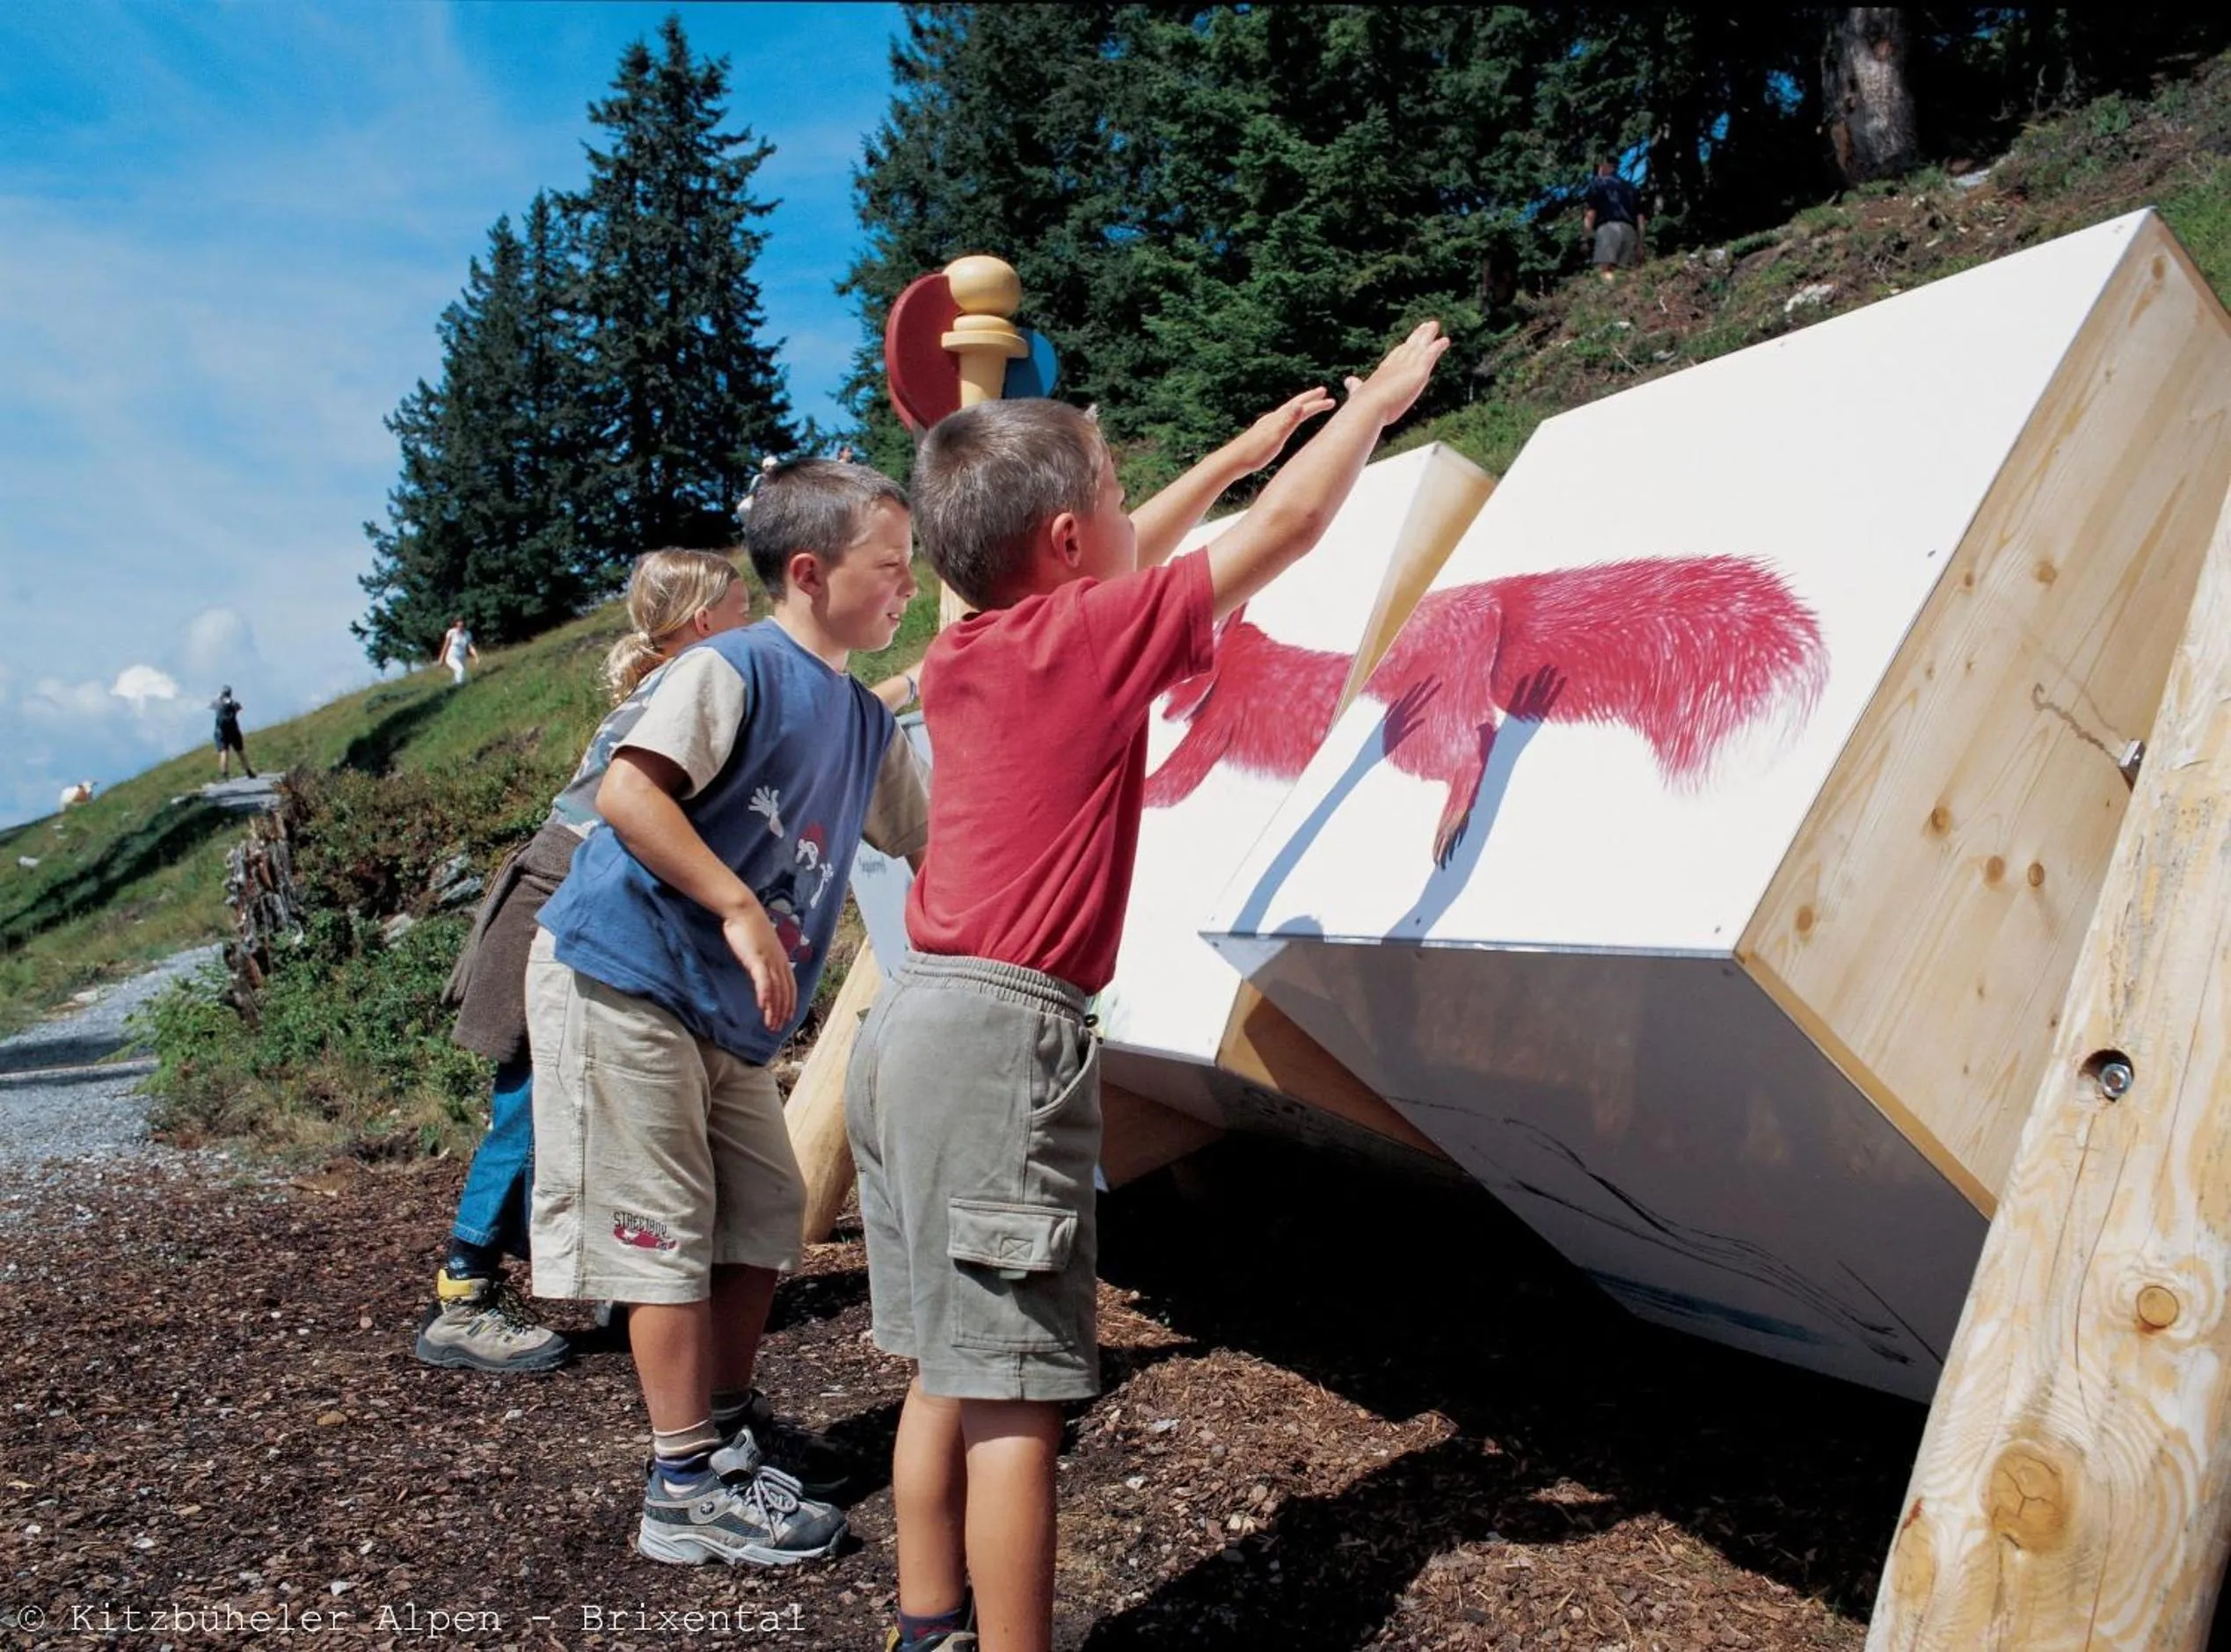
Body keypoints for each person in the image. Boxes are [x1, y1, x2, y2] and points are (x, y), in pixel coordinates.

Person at [844, 324, 1448, 1652]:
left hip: (907, 1026)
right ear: (1068, 545)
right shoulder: (1090, 638)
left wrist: (1228, 453)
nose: (1136, 506)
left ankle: (927, 1620)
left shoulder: (973, 647)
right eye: (1119, 487)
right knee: (1016, 1398)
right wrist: (1380, 406)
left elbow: (1132, 550)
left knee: (948, 1359)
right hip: (1001, 1037)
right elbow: (1287, 530)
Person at [527, 458, 930, 1567]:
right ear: (808, 572)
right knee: (661, 1231)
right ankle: (682, 1486)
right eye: (888, 568)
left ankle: (726, 1422)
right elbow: (627, 791)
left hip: (726, 1013)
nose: (909, 589)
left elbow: (933, 843)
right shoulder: (729, 666)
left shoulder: (861, 721)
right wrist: (741, 907)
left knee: (764, 1209)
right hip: (627, 973)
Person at [416, 549, 750, 1377]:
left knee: (588, 1097)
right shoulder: (690, 681)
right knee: (532, 1101)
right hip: (557, 898)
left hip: (577, 894)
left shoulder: (686, 678)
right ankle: (465, 1292)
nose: (757, 617)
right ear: (705, 619)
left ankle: (608, 1272)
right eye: (744, 603)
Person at [1583, 159, 1646, 280]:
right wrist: (1640, 243)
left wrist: (1584, 239)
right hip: (1630, 231)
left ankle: (1607, 296)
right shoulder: (1631, 188)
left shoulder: (1598, 183)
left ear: (1604, 166)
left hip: (1608, 229)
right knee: (1627, 274)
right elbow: (1640, 217)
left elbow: (1591, 212)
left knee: (1605, 270)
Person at [212, 687, 253, 779]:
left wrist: (218, 698)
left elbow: (211, 706)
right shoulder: (234, 703)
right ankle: (249, 771)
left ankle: (224, 773)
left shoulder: (217, 702)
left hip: (220, 731)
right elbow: (239, 708)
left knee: (224, 752)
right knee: (240, 751)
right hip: (234, 730)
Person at [438, 617, 479, 686]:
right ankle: (459, 686)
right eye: (458, 626)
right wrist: (441, 658)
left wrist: (476, 657)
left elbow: (470, 647)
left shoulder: (467, 634)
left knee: (460, 674)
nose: (460, 628)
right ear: (456, 625)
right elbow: (446, 645)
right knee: (460, 670)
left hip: (462, 657)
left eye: (462, 626)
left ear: (464, 626)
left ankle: (454, 686)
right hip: (451, 656)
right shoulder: (451, 632)